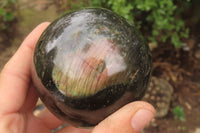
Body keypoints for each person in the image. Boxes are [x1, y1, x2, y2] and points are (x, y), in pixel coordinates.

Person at [0, 22, 155, 133]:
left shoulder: (111, 101)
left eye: (101, 65)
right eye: (86, 48)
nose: (88, 60)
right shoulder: (51, 70)